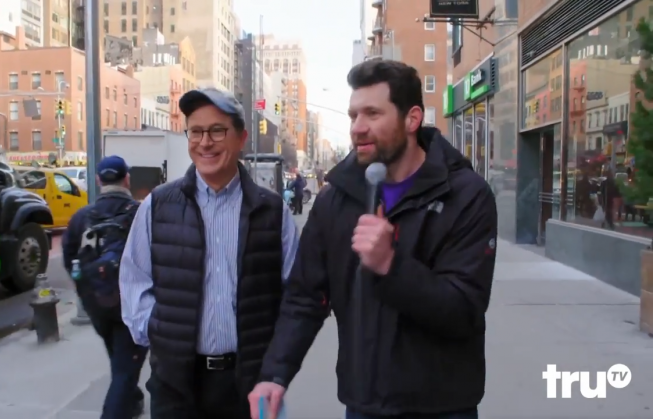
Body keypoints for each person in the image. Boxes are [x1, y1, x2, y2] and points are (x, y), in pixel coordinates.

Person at [249, 59, 498, 419]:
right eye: (353, 116)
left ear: (412, 119)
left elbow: (464, 310)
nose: (357, 128)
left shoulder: (466, 195)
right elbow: (305, 297)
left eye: (372, 114)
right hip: (364, 402)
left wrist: (391, 266)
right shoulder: (336, 198)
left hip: (443, 405)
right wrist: (275, 374)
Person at [118, 87, 299, 419]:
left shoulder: (272, 211)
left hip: (251, 384)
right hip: (176, 385)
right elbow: (134, 279)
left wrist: (276, 366)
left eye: (217, 130)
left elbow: (294, 294)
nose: (205, 142)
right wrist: (159, 334)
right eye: (196, 131)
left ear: (241, 137)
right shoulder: (158, 205)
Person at [61, 155, 147, 419]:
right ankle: (118, 408)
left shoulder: (82, 217)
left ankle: (133, 400)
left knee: (119, 358)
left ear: (98, 180)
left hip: (96, 303)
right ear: (127, 179)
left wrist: (88, 291)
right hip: (130, 304)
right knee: (124, 366)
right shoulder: (140, 213)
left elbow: (68, 257)